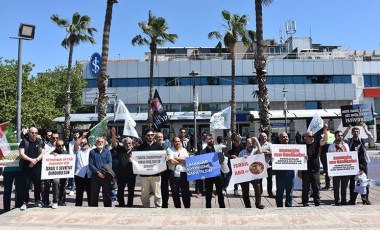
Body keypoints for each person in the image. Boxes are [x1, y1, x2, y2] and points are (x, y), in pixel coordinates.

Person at [343, 124, 373, 205]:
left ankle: (365, 199)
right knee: (352, 181)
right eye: (354, 132)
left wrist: (365, 129)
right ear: (352, 133)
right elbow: (342, 137)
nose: (356, 133)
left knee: (364, 181)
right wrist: (348, 129)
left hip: (363, 162)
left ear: (359, 133)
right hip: (353, 163)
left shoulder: (362, 140)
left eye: (357, 131)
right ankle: (352, 199)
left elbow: (371, 138)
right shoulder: (349, 141)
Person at [301, 125, 328, 207]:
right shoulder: (301, 145)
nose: (311, 137)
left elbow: (325, 140)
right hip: (305, 170)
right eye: (309, 136)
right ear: (305, 137)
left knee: (316, 187)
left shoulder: (316, 143)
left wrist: (325, 130)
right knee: (305, 188)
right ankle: (305, 202)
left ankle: (317, 202)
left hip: (315, 170)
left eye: (312, 136)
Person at [19, 127, 45, 211]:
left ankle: (37, 201)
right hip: (26, 167)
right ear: (29, 133)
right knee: (26, 185)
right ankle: (25, 202)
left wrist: (36, 160)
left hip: (37, 166)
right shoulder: (24, 141)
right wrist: (31, 160)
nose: (34, 134)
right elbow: (21, 154)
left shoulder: (40, 141)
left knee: (38, 185)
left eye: (36, 133)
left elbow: (42, 153)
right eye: (32, 132)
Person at [136, 129, 164, 208]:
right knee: (144, 193)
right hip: (144, 175)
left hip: (156, 174)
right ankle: (145, 206)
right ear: (145, 136)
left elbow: (163, 156)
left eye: (152, 135)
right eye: (148, 135)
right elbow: (136, 158)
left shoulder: (158, 146)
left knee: (157, 192)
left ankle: (158, 207)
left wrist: (166, 157)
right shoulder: (141, 147)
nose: (150, 137)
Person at [111, 128, 136, 207]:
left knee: (131, 191)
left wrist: (133, 161)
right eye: (126, 143)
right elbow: (114, 143)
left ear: (131, 143)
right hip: (121, 175)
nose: (128, 144)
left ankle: (129, 205)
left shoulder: (135, 151)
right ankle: (121, 205)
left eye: (129, 143)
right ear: (123, 143)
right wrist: (113, 134)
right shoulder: (120, 149)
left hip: (131, 175)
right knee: (120, 191)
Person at [238, 137, 265, 209]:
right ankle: (248, 206)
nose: (251, 145)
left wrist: (256, 140)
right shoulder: (242, 152)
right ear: (246, 144)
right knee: (245, 190)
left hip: (254, 173)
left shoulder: (255, 151)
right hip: (245, 174)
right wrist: (242, 160)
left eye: (252, 143)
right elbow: (237, 165)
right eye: (249, 143)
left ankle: (258, 203)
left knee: (258, 187)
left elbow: (261, 152)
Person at [200, 134, 225, 208]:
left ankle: (222, 208)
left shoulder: (218, 149)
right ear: (205, 141)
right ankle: (208, 209)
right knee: (208, 193)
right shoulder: (202, 152)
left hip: (217, 173)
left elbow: (222, 160)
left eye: (212, 138)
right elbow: (201, 163)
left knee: (220, 193)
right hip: (208, 174)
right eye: (209, 139)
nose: (211, 140)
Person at [44, 139, 69, 209]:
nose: (61, 147)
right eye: (59, 146)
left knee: (63, 186)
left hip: (64, 173)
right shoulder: (52, 153)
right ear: (56, 146)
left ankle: (62, 201)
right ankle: (55, 201)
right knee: (56, 182)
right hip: (55, 174)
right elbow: (48, 163)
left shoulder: (66, 153)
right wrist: (53, 157)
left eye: (62, 145)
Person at [89, 137, 113, 207]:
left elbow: (110, 163)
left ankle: (108, 210)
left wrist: (105, 173)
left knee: (107, 195)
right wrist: (98, 172)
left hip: (106, 176)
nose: (100, 143)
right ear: (96, 143)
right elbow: (90, 164)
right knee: (94, 195)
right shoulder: (92, 152)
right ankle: (93, 211)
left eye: (102, 142)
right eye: (98, 141)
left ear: (104, 143)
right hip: (95, 177)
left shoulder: (107, 152)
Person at [167, 137, 191, 208]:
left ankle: (187, 207)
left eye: (179, 141)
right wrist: (182, 160)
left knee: (185, 192)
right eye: (176, 141)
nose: (178, 143)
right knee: (175, 193)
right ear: (173, 142)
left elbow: (187, 161)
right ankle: (178, 208)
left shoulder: (184, 150)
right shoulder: (169, 150)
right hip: (173, 173)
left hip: (183, 173)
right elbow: (171, 161)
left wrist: (176, 158)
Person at [328, 130, 350, 206]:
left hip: (345, 168)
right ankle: (337, 200)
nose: (340, 137)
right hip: (336, 169)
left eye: (341, 135)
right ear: (335, 136)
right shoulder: (332, 146)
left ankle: (344, 200)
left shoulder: (346, 145)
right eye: (338, 135)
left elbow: (349, 156)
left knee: (344, 186)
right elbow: (330, 158)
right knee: (336, 186)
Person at [274, 132, 295, 208]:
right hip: (280, 174)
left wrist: (304, 157)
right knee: (280, 192)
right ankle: (279, 207)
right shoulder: (276, 149)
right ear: (279, 139)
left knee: (290, 192)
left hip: (290, 173)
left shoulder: (293, 148)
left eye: (286, 137)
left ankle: (288, 207)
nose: (285, 138)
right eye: (283, 137)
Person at [73, 131, 92, 206]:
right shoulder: (78, 151)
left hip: (89, 174)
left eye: (85, 143)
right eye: (82, 143)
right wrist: (82, 137)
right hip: (79, 174)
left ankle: (91, 207)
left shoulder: (91, 150)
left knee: (90, 193)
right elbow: (76, 144)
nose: (83, 144)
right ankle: (78, 207)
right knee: (79, 193)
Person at [155, 131, 171, 208]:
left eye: (161, 137)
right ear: (155, 138)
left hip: (165, 170)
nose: (160, 138)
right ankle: (158, 203)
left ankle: (165, 203)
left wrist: (168, 157)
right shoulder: (153, 146)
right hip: (156, 170)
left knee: (165, 187)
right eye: (158, 137)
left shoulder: (167, 146)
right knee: (157, 188)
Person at [258, 132, 274, 198]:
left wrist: (263, 152)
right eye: (262, 136)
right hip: (260, 165)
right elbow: (258, 152)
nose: (264, 138)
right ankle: (260, 193)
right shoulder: (258, 145)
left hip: (269, 165)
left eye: (265, 136)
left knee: (269, 180)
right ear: (260, 137)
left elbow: (272, 153)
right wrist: (267, 152)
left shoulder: (270, 144)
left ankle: (270, 192)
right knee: (260, 180)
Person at [68, 130, 80, 196]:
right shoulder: (71, 143)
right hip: (73, 160)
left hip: (80, 160)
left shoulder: (81, 142)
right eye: (75, 135)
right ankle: (72, 189)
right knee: (73, 175)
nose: (76, 136)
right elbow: (70, 152)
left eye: (77, 134)